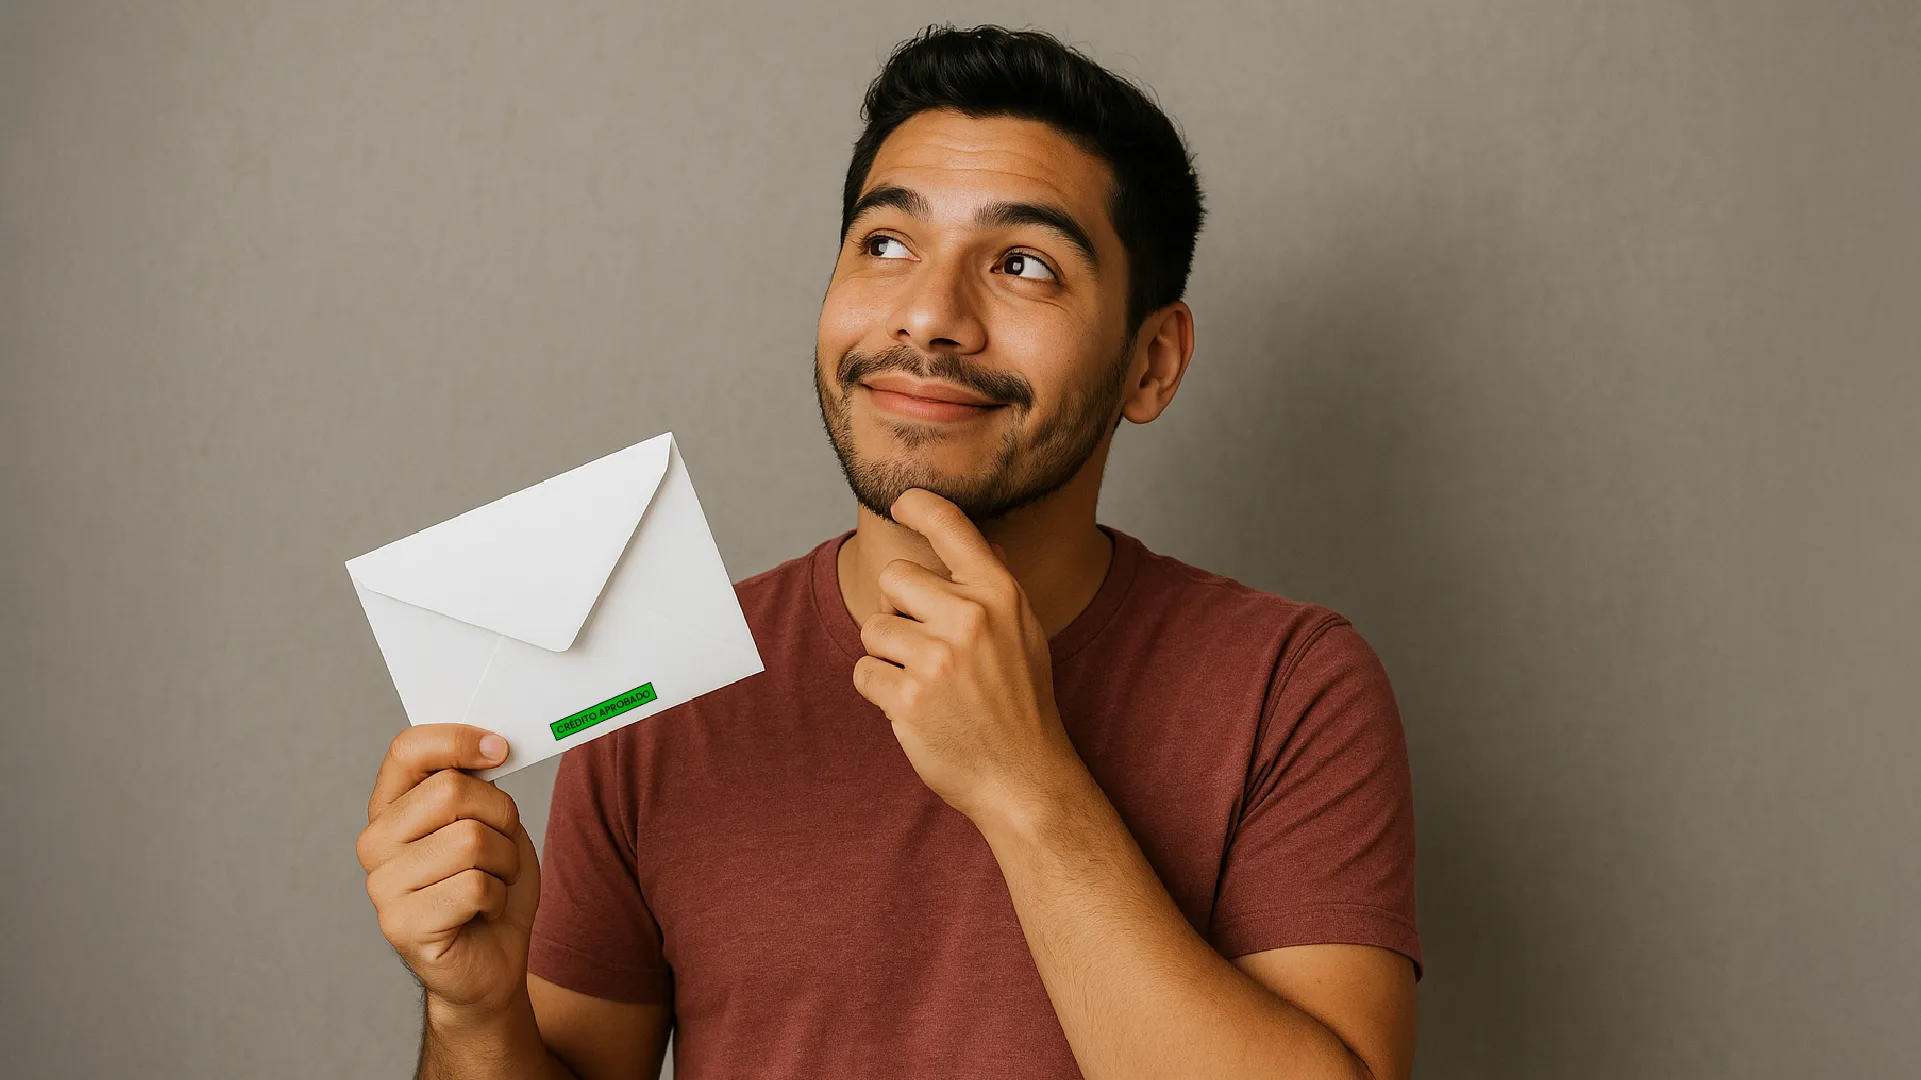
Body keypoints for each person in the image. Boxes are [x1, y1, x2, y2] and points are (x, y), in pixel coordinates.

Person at [357, 24, 1421, 1080]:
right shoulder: (655, 692)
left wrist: (1026, 785)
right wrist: (477, 1020)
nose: (928, 313)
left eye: (1021, 263)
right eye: (885, 245)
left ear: (1151, 363)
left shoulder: (1291, 685)